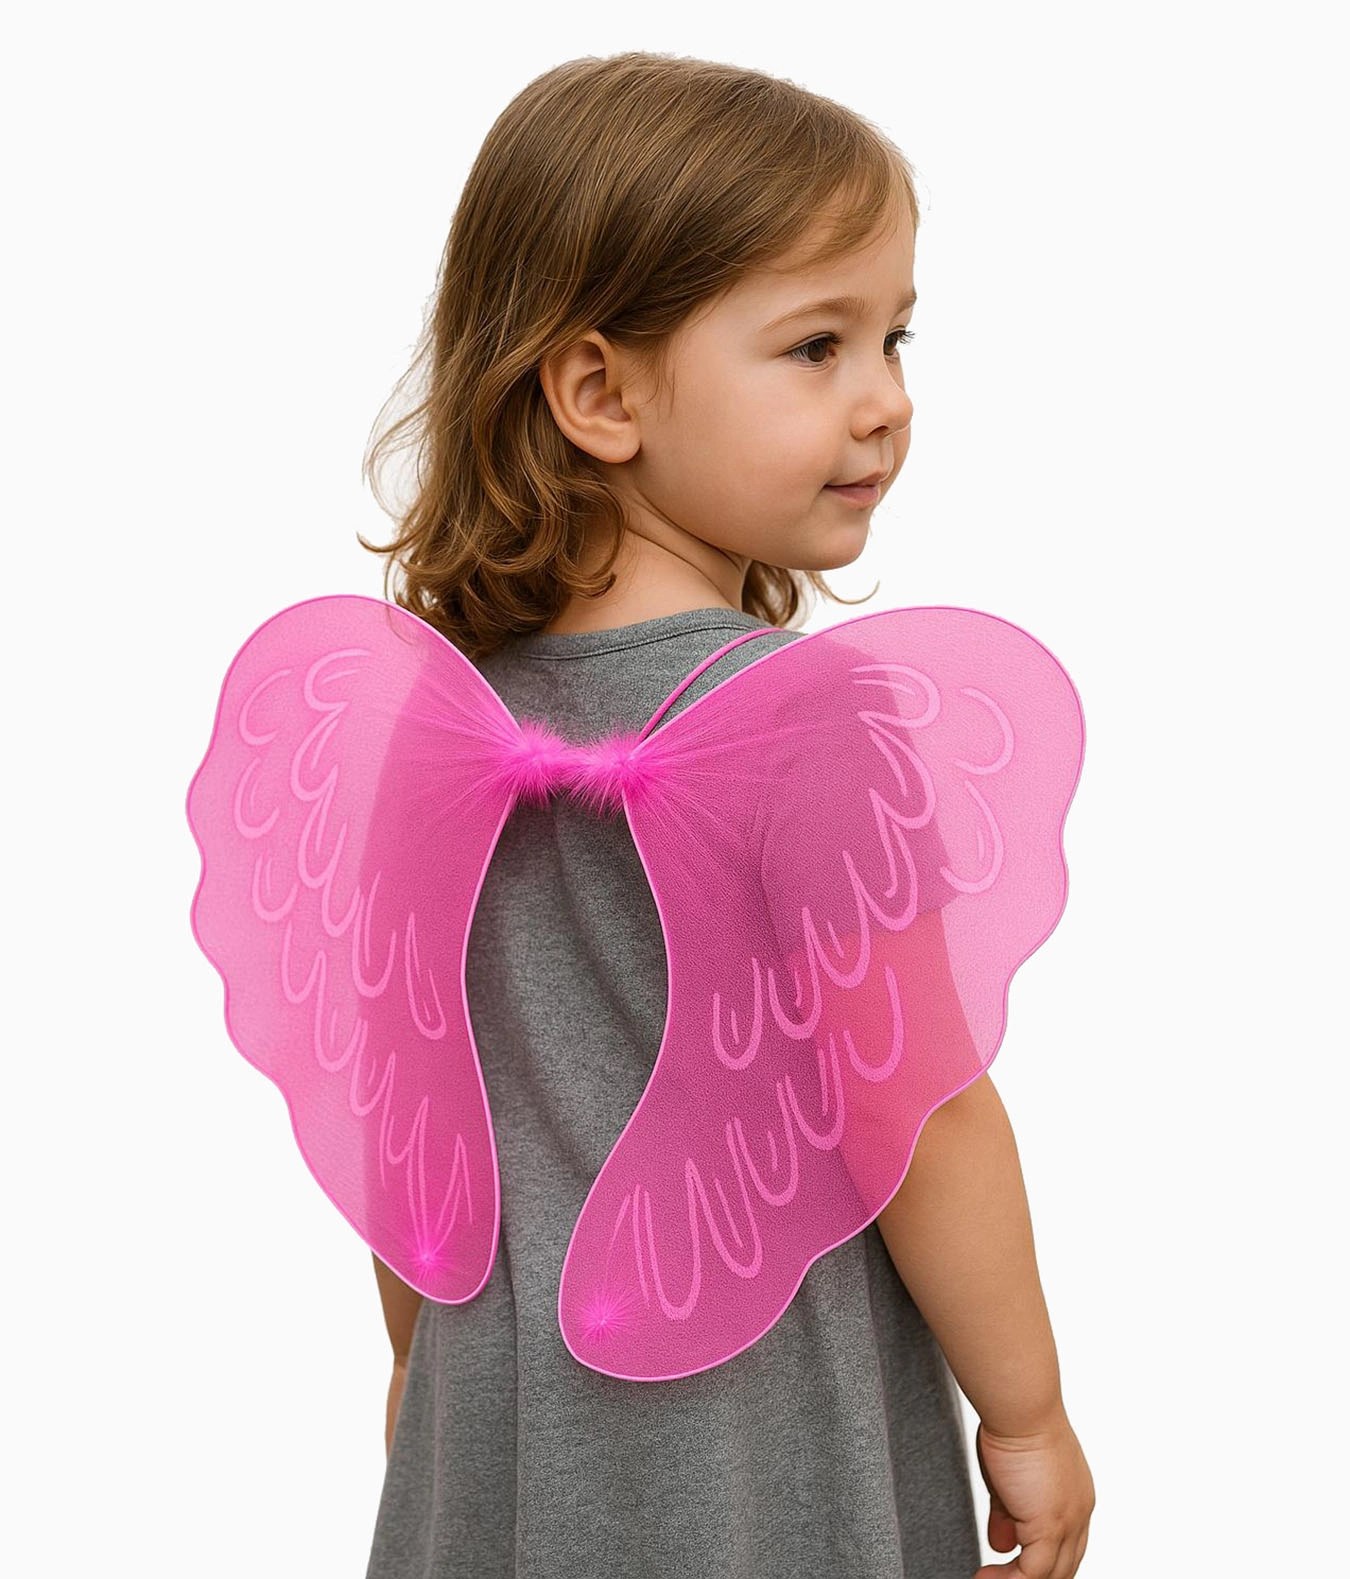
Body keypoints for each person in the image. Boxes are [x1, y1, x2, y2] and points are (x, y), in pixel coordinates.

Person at [359, 50, 1095, 1579]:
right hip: (763, 1453)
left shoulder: (436, 726)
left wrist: (427, 1378)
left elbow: (405, 1126)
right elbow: (921, 1110)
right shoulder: (802, 721)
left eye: (892, 337)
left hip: (503, 1432)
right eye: (815, 345)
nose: (884, 401)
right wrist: (1023, 1413)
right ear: (599, 394)